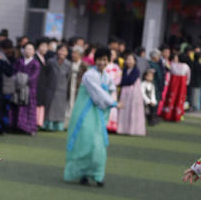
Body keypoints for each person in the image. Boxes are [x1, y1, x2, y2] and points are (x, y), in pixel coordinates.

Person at [64, 48, 119, 186]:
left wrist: (113, 100)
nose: (102, 62)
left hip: (98, 114)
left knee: (99, 145)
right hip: (85, 113)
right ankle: (83, 174)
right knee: (85, 142)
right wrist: (113, 103)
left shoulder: (107, 76)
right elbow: (97, 93)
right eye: (99, 59)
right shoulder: (89, 75)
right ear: (95, 61)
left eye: (104, 60)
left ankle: (98, 175)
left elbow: (111, 90)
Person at [40, 44, 70, 132]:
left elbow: (69, 77)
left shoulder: (68, 64)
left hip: (62, 90)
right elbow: (45, 75)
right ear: (57, 51)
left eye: (64, 51)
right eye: (60, 50)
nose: (62, 52)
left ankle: (57, 126)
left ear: (67, 53)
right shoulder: (50, 62)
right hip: (50, 88)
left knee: (59, 109)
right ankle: (47, 125)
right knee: (49, 107)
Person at [12, 42, 41, 134]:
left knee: (28, 108)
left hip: (29, 89)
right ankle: (15, 125)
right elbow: (14, 72)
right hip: (17, 88)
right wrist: (18, 80)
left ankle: (28, 128)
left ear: (34, 52)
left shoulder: (36, 63)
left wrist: (24, 80)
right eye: (26, 49)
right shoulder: (19, 61)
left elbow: (34, 77)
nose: (28, 51)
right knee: (16, 106)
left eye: (30, 49)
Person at [116, 53, 145, 136]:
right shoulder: (124, 70)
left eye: (130, 60)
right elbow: (123, 80)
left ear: (135, 61)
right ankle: (123, 128)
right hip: (125, 92)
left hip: (133, 93)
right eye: (127, 59)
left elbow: (130, 81)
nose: (128, 61)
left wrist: (122, 83)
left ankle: (133, 129)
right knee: (124, 109)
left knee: (132, 109)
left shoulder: (136, 71)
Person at [159, 52, 190, 122]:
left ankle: (167, 114)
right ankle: (177, 115)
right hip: (181, 86)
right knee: (179, 99)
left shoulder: (173, 65)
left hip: (173, 85)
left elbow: (170, 74)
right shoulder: (186, 66)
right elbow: (188, 79)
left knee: (171, 98)